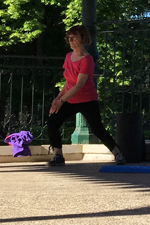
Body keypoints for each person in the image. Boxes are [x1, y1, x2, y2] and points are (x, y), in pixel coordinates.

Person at [46, 25, 124, 167]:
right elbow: (68, 82)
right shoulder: (68, 57)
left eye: (74, 37)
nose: (70, 41)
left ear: (83, 38)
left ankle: (118, 153)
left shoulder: (87, 60)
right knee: (53, 121)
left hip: (88, 100)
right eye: (69, 38)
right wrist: (57, 99)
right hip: (71, 99)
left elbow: (78, 84)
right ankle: (58, 155)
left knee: (97, 129)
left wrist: (61, 100)